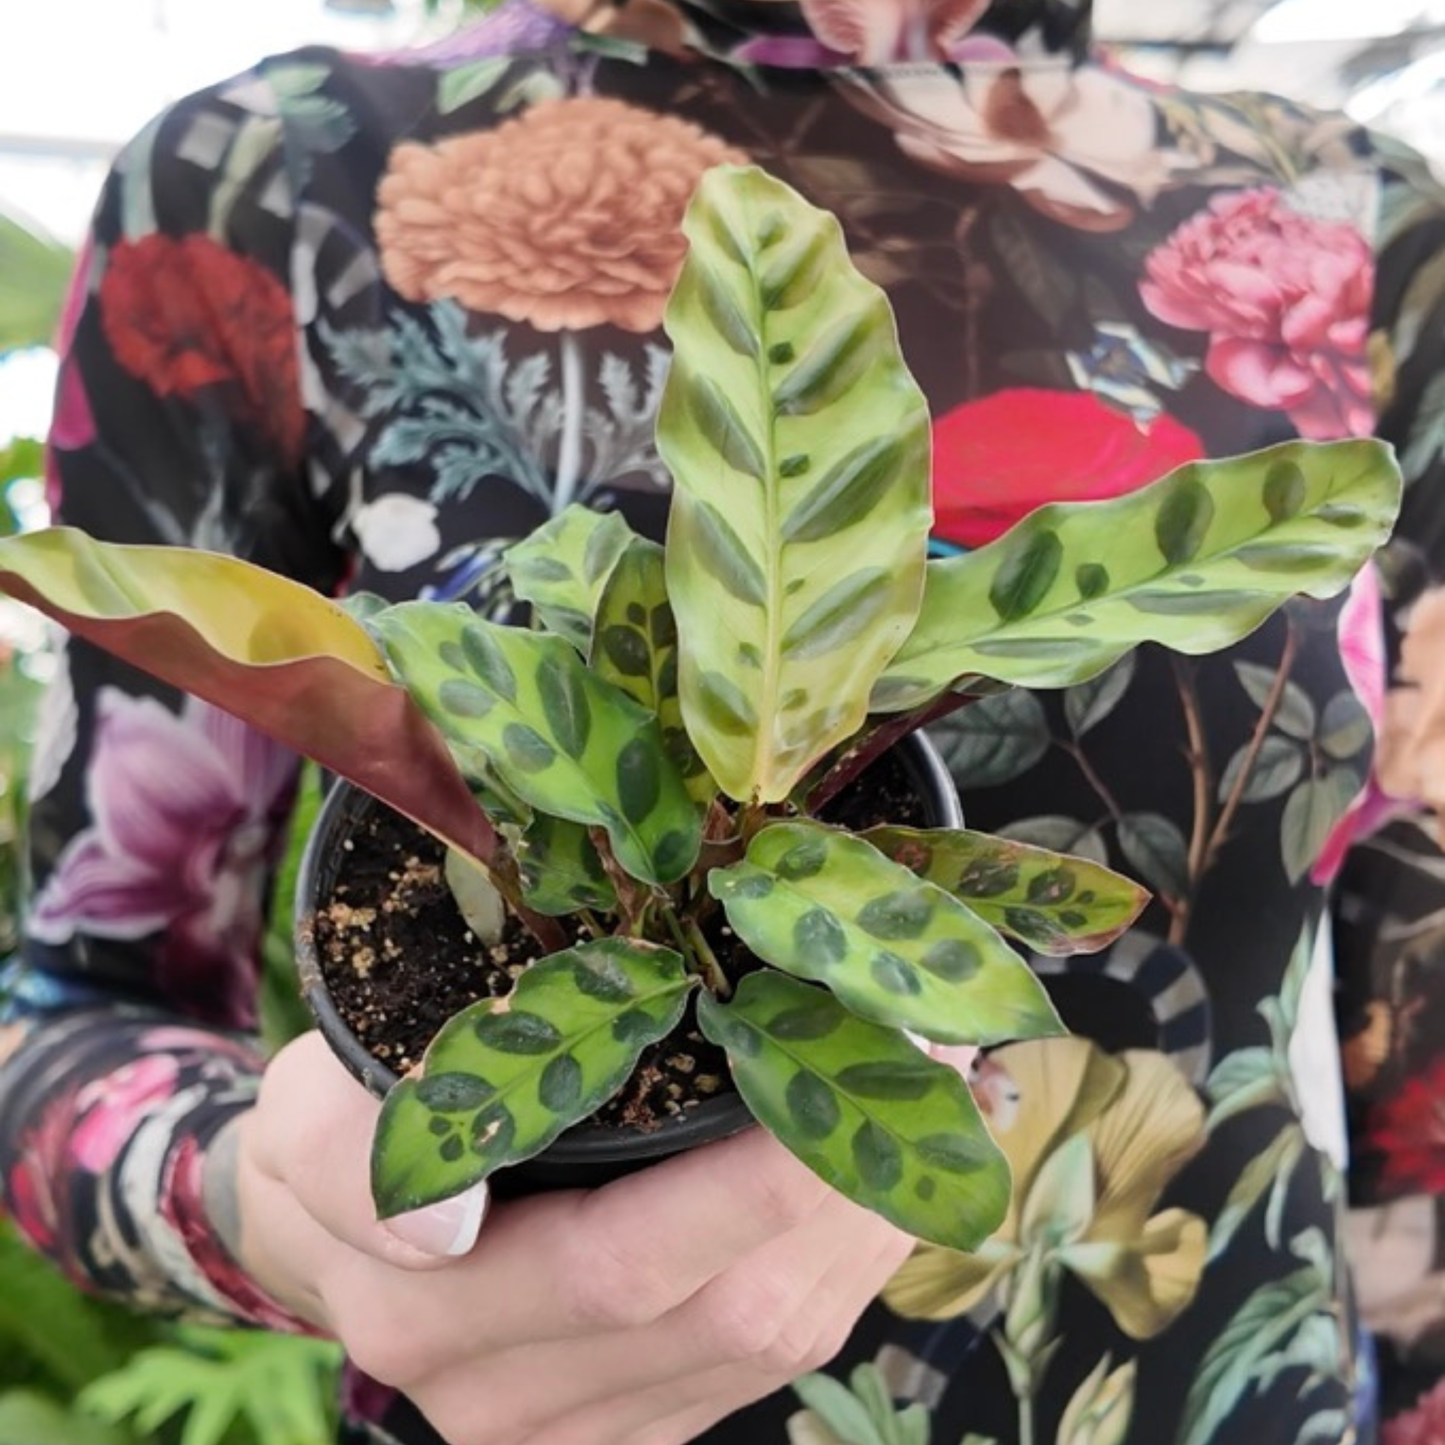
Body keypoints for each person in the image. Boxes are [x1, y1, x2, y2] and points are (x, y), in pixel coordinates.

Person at [4, 1, 1445, 1441]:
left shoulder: (1356, 224)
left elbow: (1419, 1007)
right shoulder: (272, 175)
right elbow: (76, 1021)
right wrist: (267, 1205)